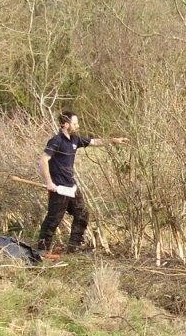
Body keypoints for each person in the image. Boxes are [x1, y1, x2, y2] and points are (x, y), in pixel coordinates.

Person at [36, 110, 125, 257]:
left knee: (82, 214)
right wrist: (49, 183)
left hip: (71, 187)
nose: (77, 126)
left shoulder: (75, 140)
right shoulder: (56, 141)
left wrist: (113, 141)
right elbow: (43, 160)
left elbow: (94, 142)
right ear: (65, 124)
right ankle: (41, 251)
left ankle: (73, 247)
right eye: (74, 123)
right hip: (59, 188)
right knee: (53, 219)